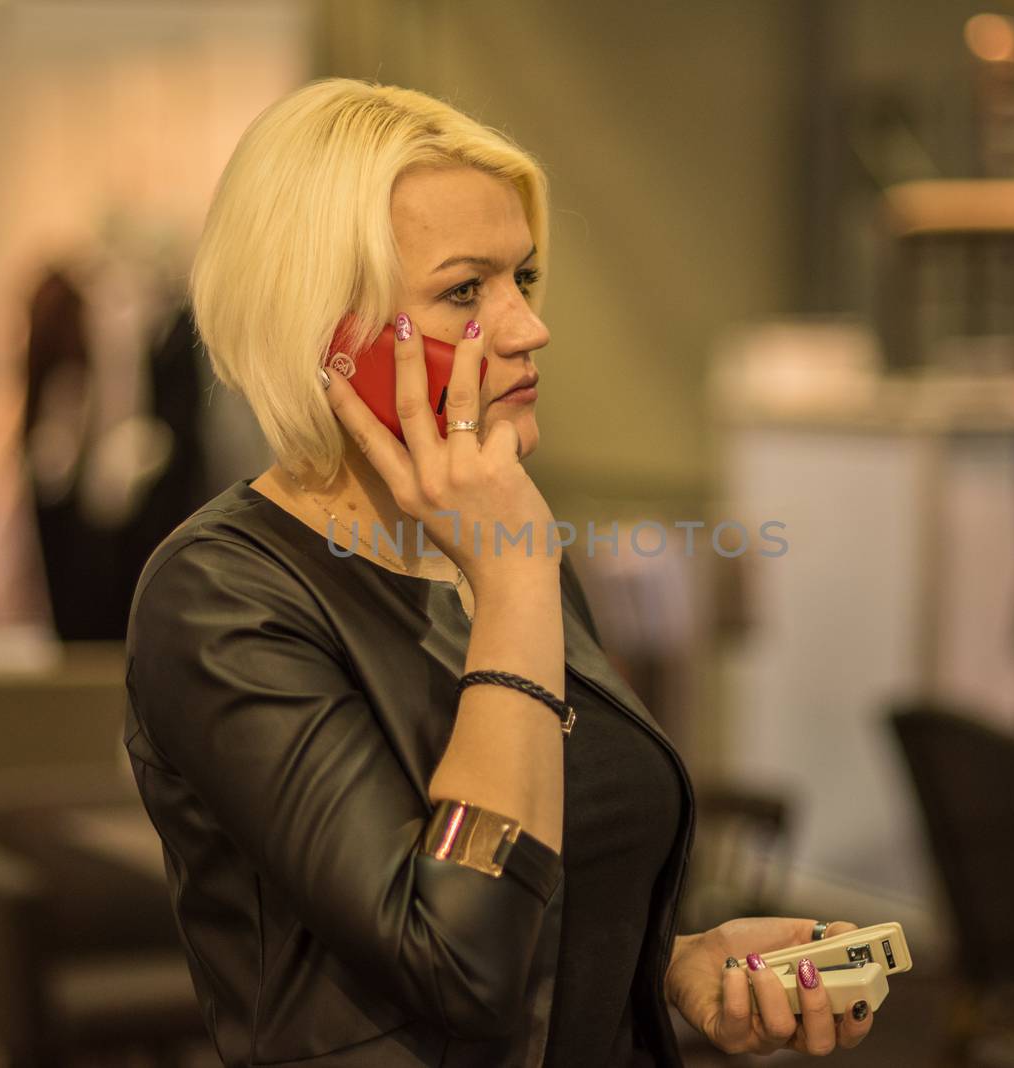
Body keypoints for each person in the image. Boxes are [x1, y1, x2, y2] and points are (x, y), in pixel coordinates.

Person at [123, 79, 877, 1066]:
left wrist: (671, 964)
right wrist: (517, 581)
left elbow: (544, 915)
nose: (528, 328)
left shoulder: (491, 543)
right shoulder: (223, 596)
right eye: (463, 291)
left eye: (522, 278)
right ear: (326, 338)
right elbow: (457, 964)